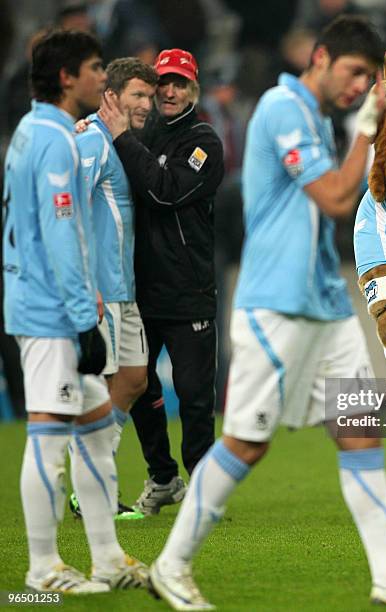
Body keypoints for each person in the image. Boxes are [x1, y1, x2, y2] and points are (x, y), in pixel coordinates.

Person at [147, 16, 386, 609]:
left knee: (360, 432)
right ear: (321, 58)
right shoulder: (281, 106)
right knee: (247, 442)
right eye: (354, 73)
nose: (358, 86)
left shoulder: (316, 117)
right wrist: (368, 130)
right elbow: (336, 198)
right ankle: (170, 565)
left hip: (324, 304)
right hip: (278, 306)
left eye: (368, 78)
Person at [2, 30, 147, 593]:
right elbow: (61, 230)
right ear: (67, 78)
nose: (99, 77)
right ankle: (42, 570)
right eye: (92, 68)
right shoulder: (59, 139)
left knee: (92, 433)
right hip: (50, 313)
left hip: (50, 304)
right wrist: (81, 315)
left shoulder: (31, 131)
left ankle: (108, 558)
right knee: (49, 436)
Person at [98, 48, 225, 515]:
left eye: (180, 84)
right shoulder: (138, 134)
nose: (169, 92)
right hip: (140, 289)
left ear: (194, 90)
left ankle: (203, 485)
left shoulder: (203, 142)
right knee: (141, 389)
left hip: (189, 292)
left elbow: (163, 191)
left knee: (194, 398)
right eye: (162, 84)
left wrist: (120, 139)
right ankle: (163, 477)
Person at [69, 57, 158, 520]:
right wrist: (85, 283)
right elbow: (71, 211)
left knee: (133, 380)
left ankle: (89, 476)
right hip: (100, 291)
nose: (146, 103)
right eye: (137, 95)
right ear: (113, 96)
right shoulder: (90, 141)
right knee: (100, 389)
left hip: (124, 289)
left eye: (149, 95)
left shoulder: (122, 143)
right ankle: (88, 488)